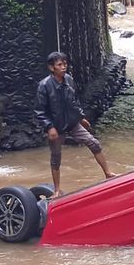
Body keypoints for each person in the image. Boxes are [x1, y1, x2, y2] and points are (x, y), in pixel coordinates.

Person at [34, 51, 116, 197]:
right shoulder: (44, 86)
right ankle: (57, 190)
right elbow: (40, 110)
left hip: (72, 122)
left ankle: (108, 173)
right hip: (56, 126)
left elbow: (74, 102)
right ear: (52, 68)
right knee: (56, 158)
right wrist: (49, 127)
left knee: (94, 143)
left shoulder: (69, 80)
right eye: (60, 65)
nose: (64, 67)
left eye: (65, 64)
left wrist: (81, 117)